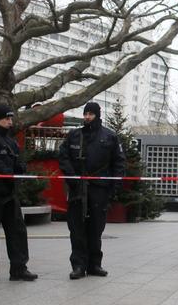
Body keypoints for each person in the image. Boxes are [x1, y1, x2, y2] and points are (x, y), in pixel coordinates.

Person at [59, 102, 125, 280]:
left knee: (96, 228)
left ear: (97, 115)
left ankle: (95, 264)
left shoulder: (110, 136)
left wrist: (113, 189)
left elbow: (118, 164)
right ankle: (78, 265)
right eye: (85, 113)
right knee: (76, 228)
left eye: (91, 114)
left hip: (99, 189)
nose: (87, 117)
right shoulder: (74, 135)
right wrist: (72, 178)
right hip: (77, 188)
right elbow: (63, 157)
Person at [0, 104, 38, 284]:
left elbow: (17, 160)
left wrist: (20, 168)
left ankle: (19, 268)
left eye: (11, 118)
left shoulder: (10, 141)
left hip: (9, 194)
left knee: (18, 231)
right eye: (7, 118)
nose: (10, 122)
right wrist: (9, 174)